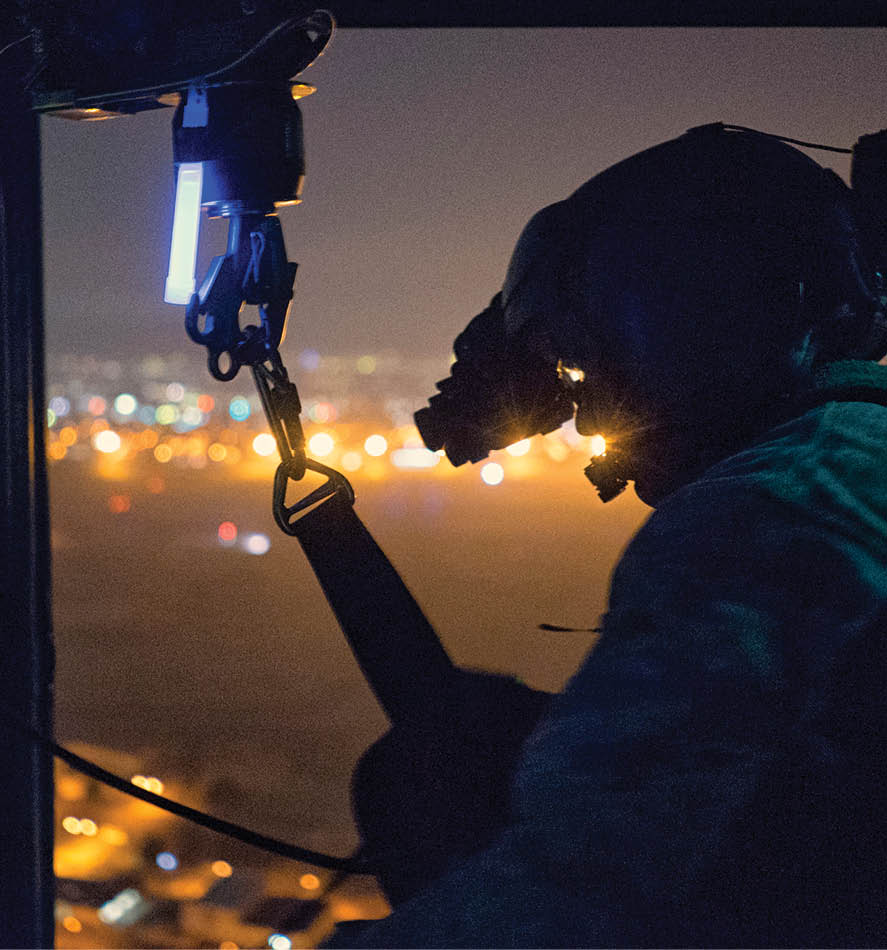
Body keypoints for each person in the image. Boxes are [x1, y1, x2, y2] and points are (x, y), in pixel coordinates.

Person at [335, 124, 887, 947]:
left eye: (588, 367)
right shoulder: (848, 455)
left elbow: (590, 895)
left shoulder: (772, 513)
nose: (588, 412)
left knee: (428, 776)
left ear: (680, 317)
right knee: (457, 739)